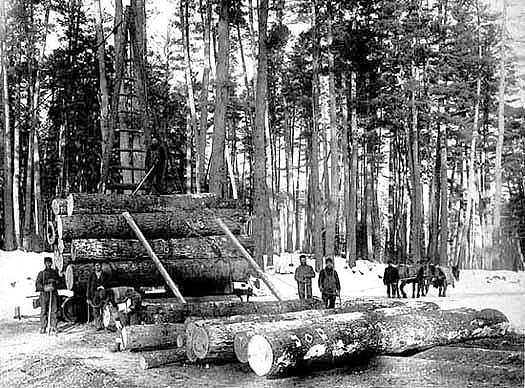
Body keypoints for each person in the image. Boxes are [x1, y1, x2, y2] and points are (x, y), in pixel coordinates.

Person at [35, 257, 60, 334]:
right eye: (47, 263)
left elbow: (59, 282)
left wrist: (55, 282)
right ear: (45, 264)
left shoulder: (55, 273)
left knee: (54, 310)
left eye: (49, 263)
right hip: (44, 295)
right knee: (44, 311)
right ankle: (43, 327)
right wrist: (44, 288)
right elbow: (37, 284)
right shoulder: (41, 273)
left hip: (53, 294)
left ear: (51, 263)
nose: (48, 264)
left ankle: (53, 326)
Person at [87, 262, 111, 330]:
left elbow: (107, 284)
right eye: (96, 265)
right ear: (94, 266)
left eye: (99, 265)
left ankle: (105, 324)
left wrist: (103, 287)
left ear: (101, 266)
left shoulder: (105, 274)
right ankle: (98, 325)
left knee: (104, 308)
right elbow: (88, 286)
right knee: (96, 310)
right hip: (94, 294)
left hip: (103, 294)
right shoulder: (92, 275)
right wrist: (88, 297)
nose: (97, 267)